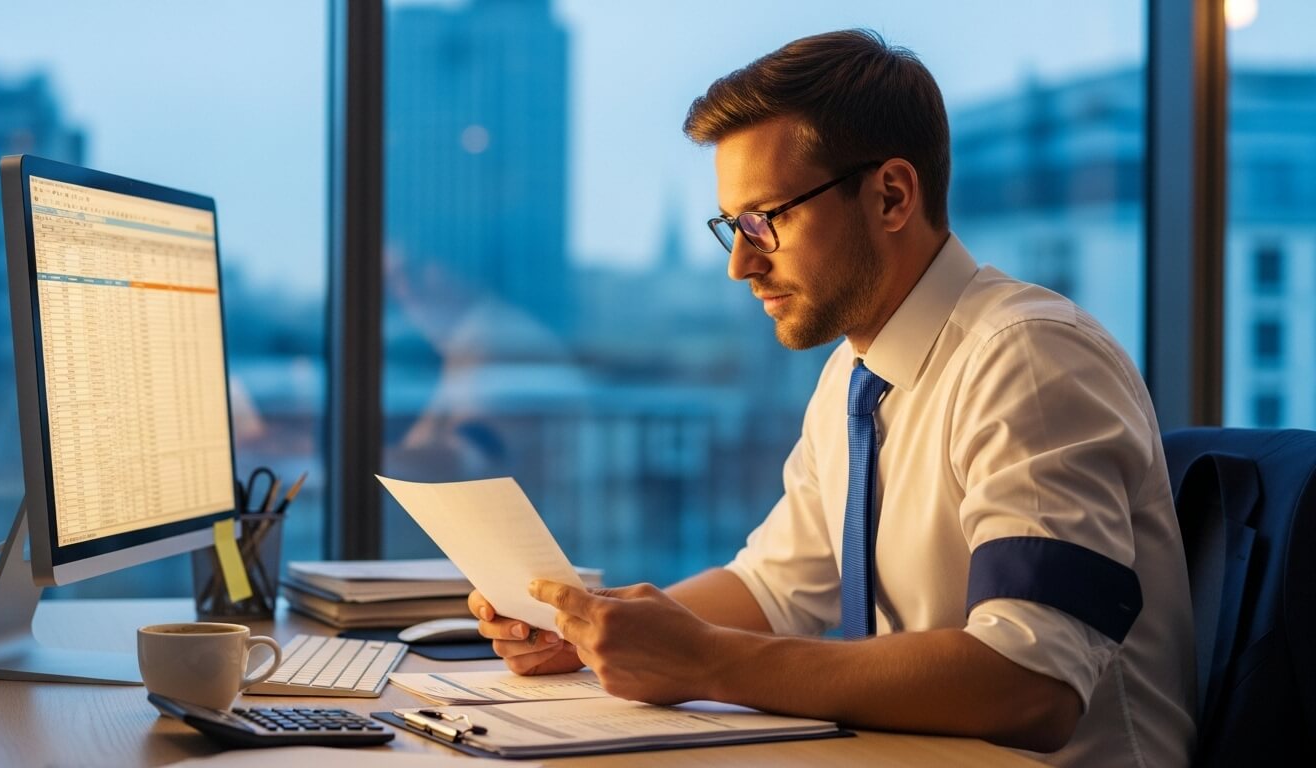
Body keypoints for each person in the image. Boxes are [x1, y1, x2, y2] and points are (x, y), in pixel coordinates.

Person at [467, 29, 1195, 765]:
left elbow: (1032, 683)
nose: (742, 265)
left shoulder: (1029, 358)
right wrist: (596, 630)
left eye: (766, 221)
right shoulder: (855, 378)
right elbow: (774, 587)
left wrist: (707, 662)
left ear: (891, 196)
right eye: (732, 228)